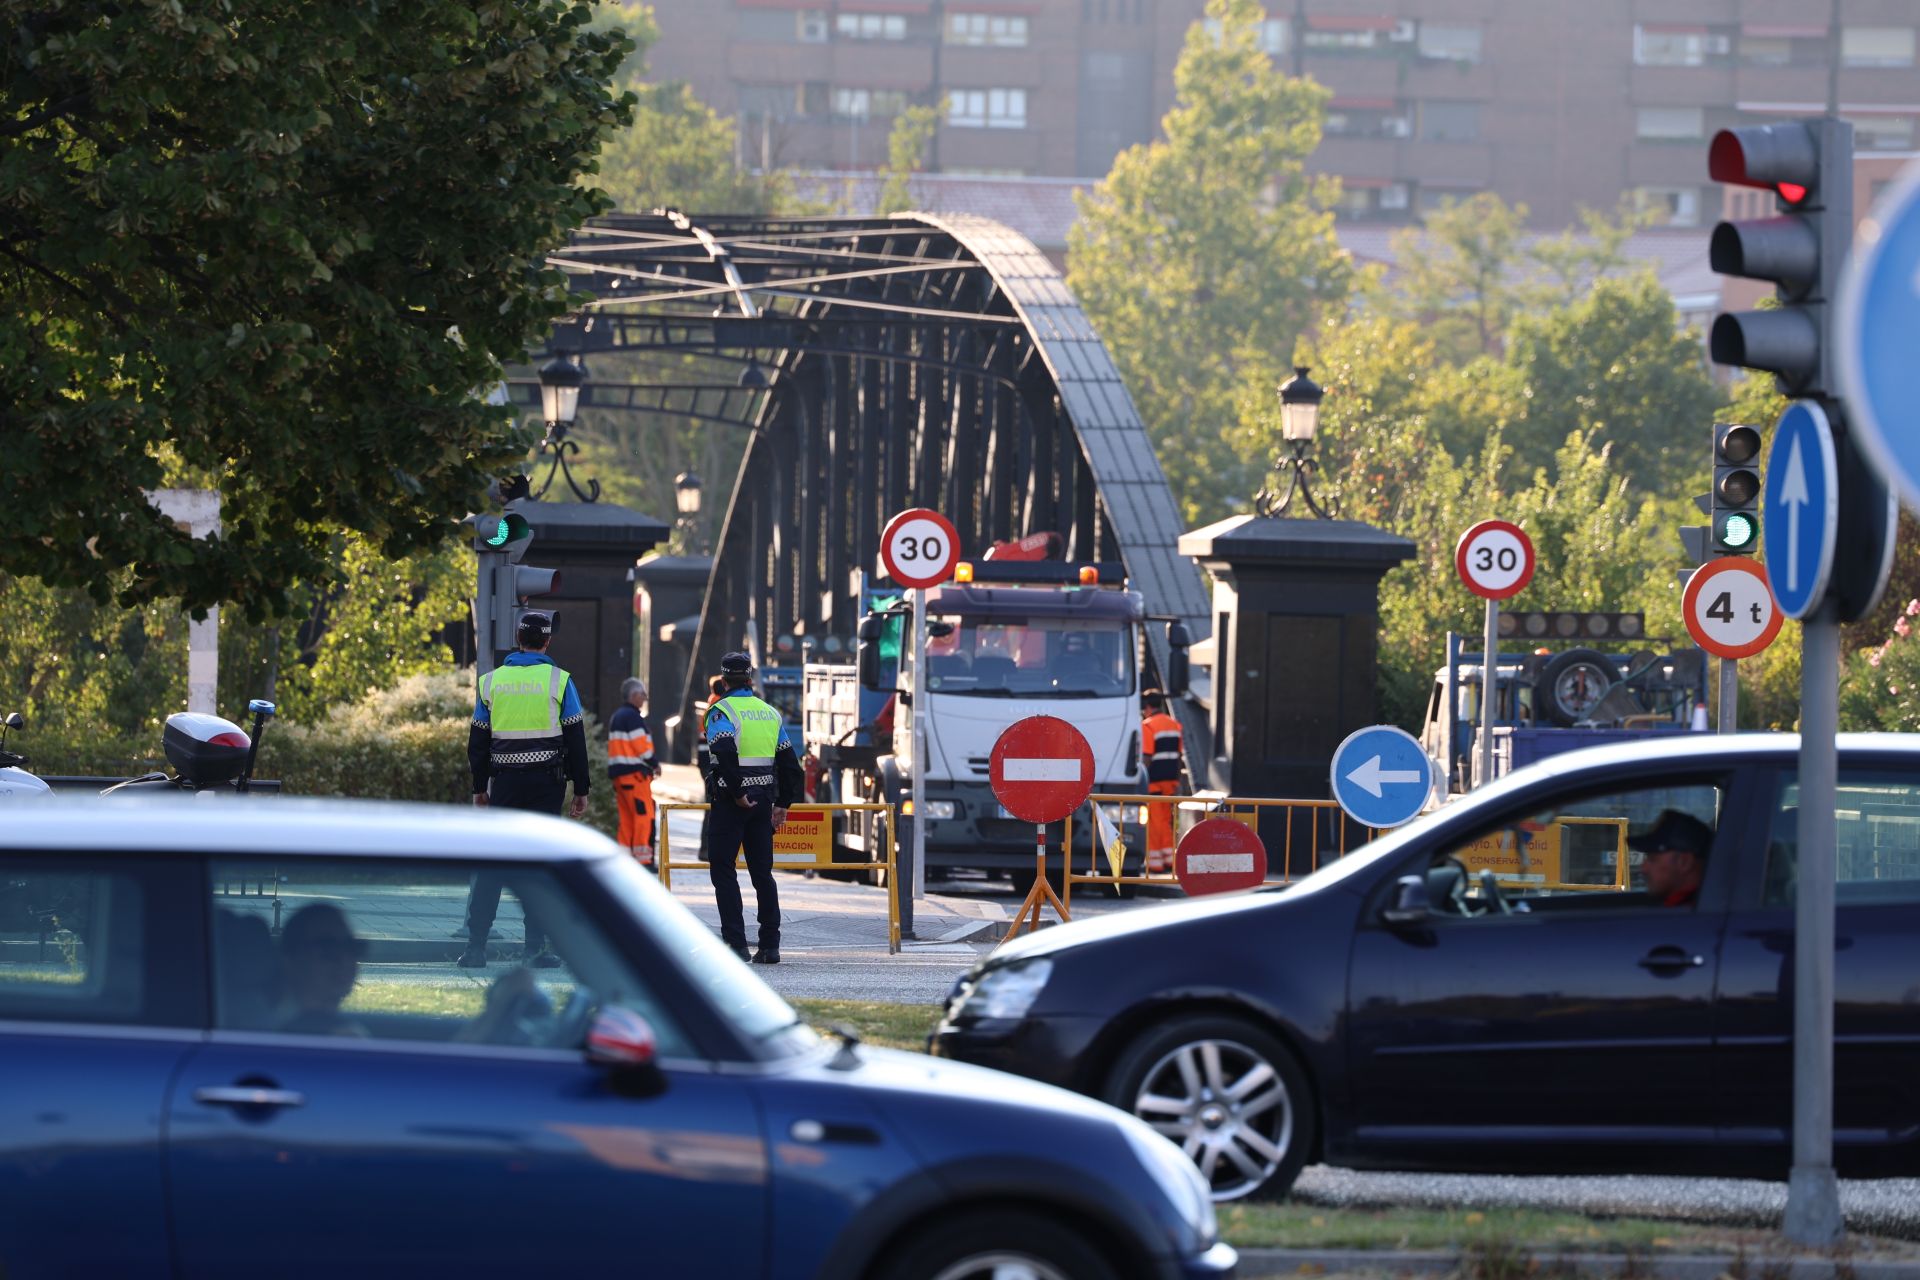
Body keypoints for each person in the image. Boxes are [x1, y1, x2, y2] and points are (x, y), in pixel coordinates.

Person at [461, 610, 590, 968]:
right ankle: (535, 948)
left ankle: (475, 948)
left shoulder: (490, 682)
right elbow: (576, 739)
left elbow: (477, 742)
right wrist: (581, 788)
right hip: (547, 785)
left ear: (518, 640)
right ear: (546, 642)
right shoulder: (560, 681)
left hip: (504, 785)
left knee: (494, 864)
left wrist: (479, 787)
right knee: (541, 866)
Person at [275, 902, 545, 1043]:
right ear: (290, 959)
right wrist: (498, 1010)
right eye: (327, 949)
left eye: (353, 948)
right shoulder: (335, 1039)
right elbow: (438, 1087)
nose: (344, 960)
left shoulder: (292, 1023)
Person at [705, 651, 804, 964]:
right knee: (763, 873)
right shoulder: (769, 714)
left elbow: (723, 752)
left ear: (723, 680)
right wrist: (784, 804)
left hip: (731, 803)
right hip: (763, 803)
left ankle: (736, 944)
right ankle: (770, 945)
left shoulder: (720, 712)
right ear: (749, 679)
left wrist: (736, 793)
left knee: (724, 871)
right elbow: (791, 764)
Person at [607, 677, 661, 867]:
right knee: (643, 817)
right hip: (635, 777)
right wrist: (654, 763)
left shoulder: (618, 716)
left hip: (621, 778)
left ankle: (624, 860)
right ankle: (642, 860)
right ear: (635, 695)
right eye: (643, 694)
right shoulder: (632, 717)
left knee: (627, 819)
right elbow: (642, 747)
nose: (645, 698)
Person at [1140, 689, 1186, 874]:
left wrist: (1140, 779)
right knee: (1166, 821)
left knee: (1154, 822)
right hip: (1170, 782)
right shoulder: (1175, 725)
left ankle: (1155, 863)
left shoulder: (1148, 726)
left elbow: (1147, 757)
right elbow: (1178, 756)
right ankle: (1169, 860)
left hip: (1154, 783)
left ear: (1147, 707)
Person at [1627, 809, 1713, 907]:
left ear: (1684, 862)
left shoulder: (1683, 917)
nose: (1643, 868)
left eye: (1652, 859)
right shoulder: (1700, 908)